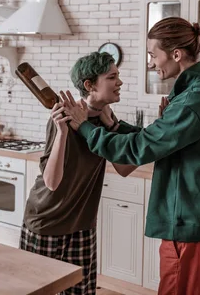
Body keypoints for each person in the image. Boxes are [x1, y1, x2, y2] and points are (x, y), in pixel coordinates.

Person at [61, 17, 200, 295]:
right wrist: (114, 126)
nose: (151, 63)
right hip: (199, 220)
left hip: (188, 223)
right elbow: (158, 138)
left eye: (153, 55)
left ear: (176, 55)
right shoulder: (197, 90)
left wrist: (86, 127)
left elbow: (141, 148)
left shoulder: (194, 99)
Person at [20, 51, 136, 295]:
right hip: (47, 223)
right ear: (89, 85)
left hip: (82, 226)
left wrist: (113, 126)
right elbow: (51, 182)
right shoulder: (62, 118)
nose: (120, 82)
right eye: (112, 77)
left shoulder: (106, 120)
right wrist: (62, 132)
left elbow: (124, 168)